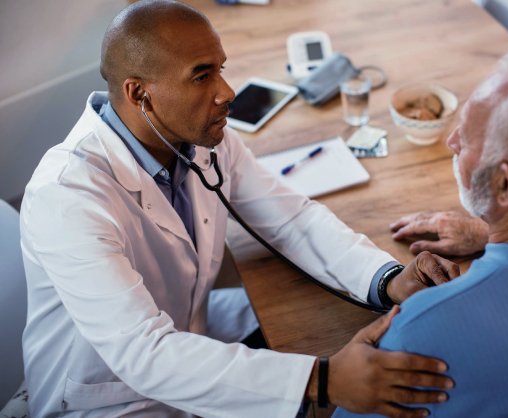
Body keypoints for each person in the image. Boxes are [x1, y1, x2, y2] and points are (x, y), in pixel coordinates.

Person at [19, 1, 460, 417]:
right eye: (201, 76)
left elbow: (291, 219)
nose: (227, 92)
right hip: (105, 398)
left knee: (308, 328)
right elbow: (143, 354)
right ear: (140, 94)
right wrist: (321, 380)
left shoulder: (199, 140)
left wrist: (386, 279)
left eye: (221, 70)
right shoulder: (68, 197)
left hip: (191, 331)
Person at [334, 41, 508, 418]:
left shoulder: (421, 331)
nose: (452, 141)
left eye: (467, 137)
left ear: (505, 186)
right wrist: (490, 233)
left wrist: (325, 380)